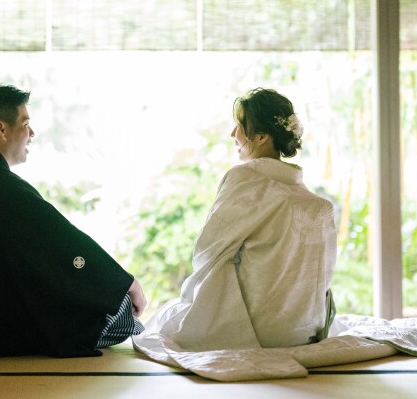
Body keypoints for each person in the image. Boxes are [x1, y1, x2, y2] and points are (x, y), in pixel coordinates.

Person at [0, 84, 146, 358]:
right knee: (120, 309)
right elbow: (63, 244)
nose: (31, 133)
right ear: (2, 129)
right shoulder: (1, 186)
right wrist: (126, 283)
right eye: (25, 124)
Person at [134, 87, 336, 352]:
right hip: (303, 330)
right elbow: (323, 276)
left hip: (258, 330)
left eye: (239, 126)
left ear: (261, 136)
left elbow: (207, 251)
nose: (233, 134)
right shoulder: (319, 205)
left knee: (159, 324)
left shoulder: (244, 179)